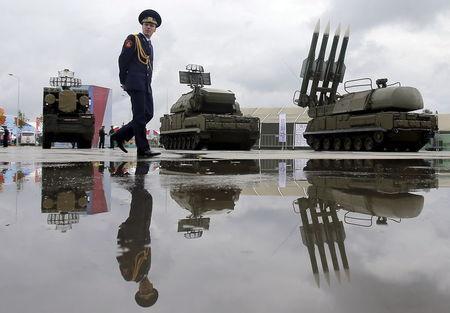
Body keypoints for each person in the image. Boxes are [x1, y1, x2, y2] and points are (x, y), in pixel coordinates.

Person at [112, 9, 162, 158]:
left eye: (151, 25)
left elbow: (149, 66)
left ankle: (120, 135)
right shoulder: (133, 39)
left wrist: (149, 84)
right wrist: (124, 81)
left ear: (155, 29)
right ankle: (143, 149)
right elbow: (123, 60)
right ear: (142, 25)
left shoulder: (150, 45)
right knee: (140, 116)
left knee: (148, 114)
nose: (148, 27)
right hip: (134, 83)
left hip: (146, 84)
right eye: (146, 24)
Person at [116, 161, 158, 307]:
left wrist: (121, 232)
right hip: (143, 228)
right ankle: (121, 176)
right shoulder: (146, 271)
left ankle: (120, 177)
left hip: (133, 230)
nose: (146, 289)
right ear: (152, 287)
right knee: (146, 198)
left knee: (140, 196)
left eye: (143, 292)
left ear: (139, 291)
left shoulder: (130, 276)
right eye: (149, 291)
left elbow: (120, 254)